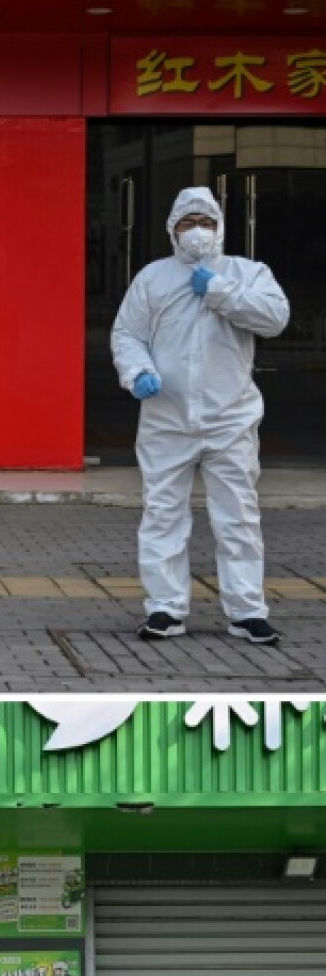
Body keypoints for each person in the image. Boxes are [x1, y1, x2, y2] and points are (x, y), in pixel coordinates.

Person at [111, 186, 290, 646]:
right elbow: (127, 334)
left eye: (205, 222)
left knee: (238, 518)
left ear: (220, 228)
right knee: (163, 514)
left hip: (230, 419)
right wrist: (138, 371)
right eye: (187, 223)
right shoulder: (153, 278)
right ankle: (165, 608)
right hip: (166, 418)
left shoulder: (246, 273)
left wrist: (219, 291)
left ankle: (247, 611)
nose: (196, 231)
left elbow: (275, 319)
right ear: (172, 230)